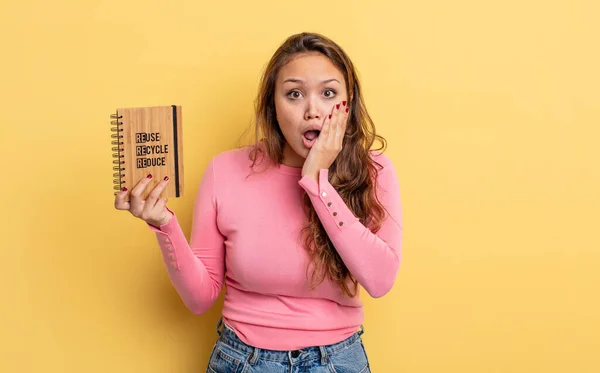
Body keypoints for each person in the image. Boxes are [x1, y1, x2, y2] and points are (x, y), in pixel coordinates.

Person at [114, 32, 402, 373]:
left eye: (328, 93)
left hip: (338, 362)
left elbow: (380, 280)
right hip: (243, 361)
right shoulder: (225, 171)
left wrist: (317, 183)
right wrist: (164, 224)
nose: (313, 111)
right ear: (273, 106)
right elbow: (200, 297)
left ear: (347, 103)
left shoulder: (375, 170)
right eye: (294, 94)